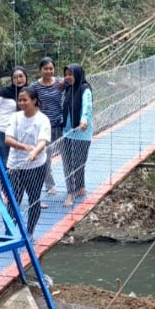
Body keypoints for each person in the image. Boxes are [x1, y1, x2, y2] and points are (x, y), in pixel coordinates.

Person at [3, 86, 50, 235]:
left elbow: (43, 141)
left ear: (34, 101)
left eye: (25, 100)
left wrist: (35, 151)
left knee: (34, 199)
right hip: (15, 166)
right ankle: (10, 233)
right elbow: (8, 139)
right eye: (20, 100)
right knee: (13, 200)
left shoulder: (42, 119)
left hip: (35, 166)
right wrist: (24, 147)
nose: (22, 103)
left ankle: (29, 232)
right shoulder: (15, 117)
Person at [32, 56, 64, 203]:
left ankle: (72, 183)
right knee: (46, 157)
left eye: (51, 68)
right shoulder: (34, 86)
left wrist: (64, 80)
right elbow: (29, 101)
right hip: (44, 127)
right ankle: (50, 185)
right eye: (46, 69)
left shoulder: (59, 83)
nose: (49, 71)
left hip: (60, 124)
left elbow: (73, 83)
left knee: (67, 155)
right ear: (40, 70)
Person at [60, 63, 93, 206]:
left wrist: (84, 119)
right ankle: (72, 192)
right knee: (68, 164)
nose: (68, 77)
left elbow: (87, 106)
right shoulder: (68, 89)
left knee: (79, 163)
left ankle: (79, 188)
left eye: (71, 74)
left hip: (82, 131)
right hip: (67, 132)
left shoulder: (85, 89)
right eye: (66, 74)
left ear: (78, 74)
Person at [0, 66, 27, 168]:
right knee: (5, 161)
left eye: (21, 76)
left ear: (26, 77)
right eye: (15, 77)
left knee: (17, 160)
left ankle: (14, 179)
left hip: (18, 132)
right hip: (1, 130)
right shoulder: (5, 92)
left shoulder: (28, 91)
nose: (18, 79)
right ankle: (6, 179)